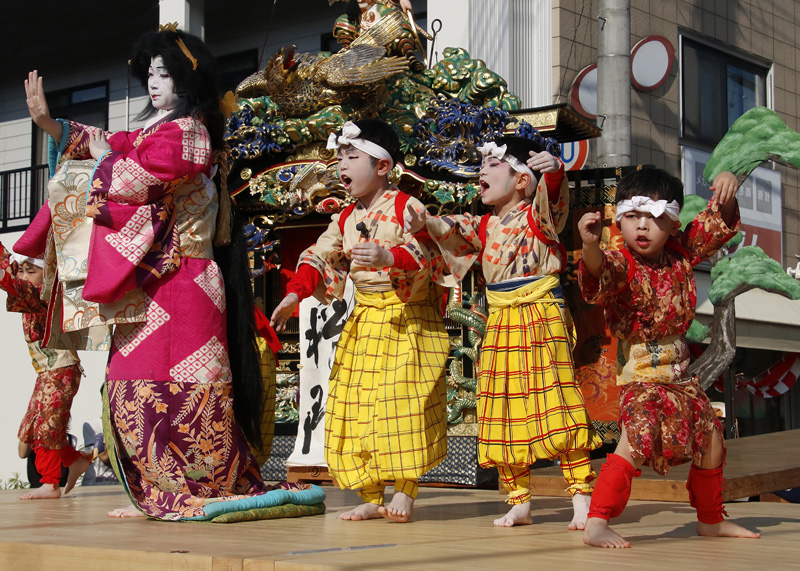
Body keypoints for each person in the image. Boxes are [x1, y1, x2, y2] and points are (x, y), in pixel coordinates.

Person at [23, 27, 317, 520]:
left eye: (165, 73)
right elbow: (109, 143)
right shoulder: (152, 132)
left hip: (188, 283)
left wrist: (103, 160)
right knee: (129, 382)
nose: (154, 84)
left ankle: (191, 486)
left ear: (189, 80)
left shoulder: (192, 134)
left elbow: (136, 180)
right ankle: (153, 490)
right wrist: (52, 126)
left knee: (187, 390)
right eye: (150, 74)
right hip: (150, 284)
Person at [413, 135, 600, 528]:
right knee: (500, 407)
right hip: (499, 317)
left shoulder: (539, 217)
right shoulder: (485, 223)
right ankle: (518, 499)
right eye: (482, 163)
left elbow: (556, 202)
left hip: (538, 311)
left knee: (556, 403)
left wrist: (553, 176)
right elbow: (449, 230)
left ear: (521, 180)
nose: (482, 169)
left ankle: (581, 494)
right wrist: (423, 221)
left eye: (493, 164)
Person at [271, 118, 448, 523]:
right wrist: (295, 293)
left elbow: (432, 254)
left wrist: (391, 258)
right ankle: (371, 492)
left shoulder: (408, 207)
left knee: (402, 404)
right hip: (367, 316)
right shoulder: (346, 217)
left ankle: (404, 488)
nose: (342, 165)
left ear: (383, 166)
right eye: (339, 158)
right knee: (358, 404)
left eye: (352, 156)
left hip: (407, 318)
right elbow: (320, 255)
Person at [576, 167, 760, 547]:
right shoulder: (621, 262)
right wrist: (590, 246)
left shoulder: (680, 252)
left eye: (655, 218)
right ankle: (596, 521)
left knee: (711, 439)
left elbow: (716, 223)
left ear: (673, 223)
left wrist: (727, 189)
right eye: (633, 217)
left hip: (681, 372)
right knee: (635, 440)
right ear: (619, 220)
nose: (642, 227)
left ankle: (710, 520)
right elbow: (598, 272)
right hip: (642, 370)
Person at [0, 247, 89, 499]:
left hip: (61, 369)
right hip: (48, 372)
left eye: (32, 271)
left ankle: (50, 482)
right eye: (23, 271)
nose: (26, 275)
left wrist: (9, 274)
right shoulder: (32, 293)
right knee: (34, 426)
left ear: (47, 274)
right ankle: (74, 460)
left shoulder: (45, 295)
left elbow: (14, 284)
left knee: (47, 426)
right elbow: (13, 274)